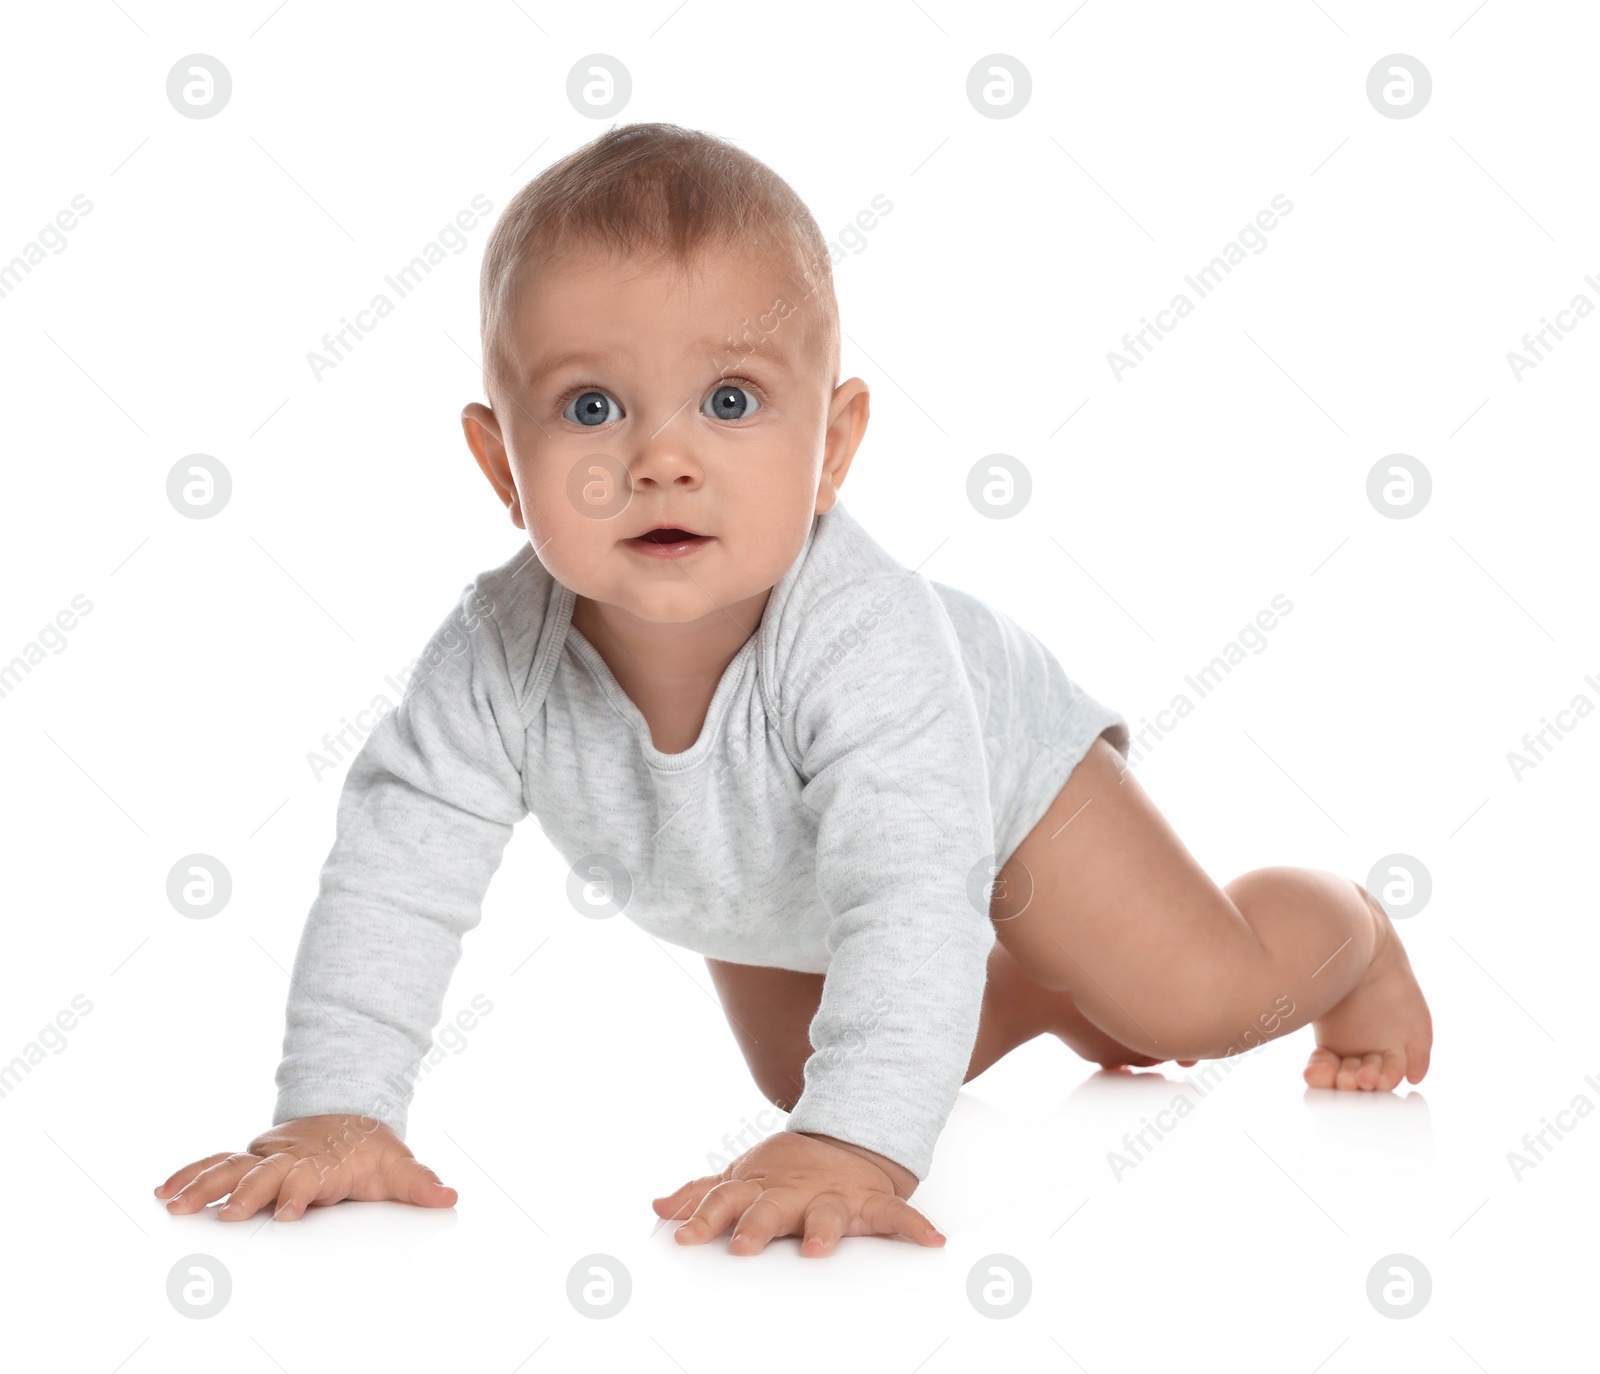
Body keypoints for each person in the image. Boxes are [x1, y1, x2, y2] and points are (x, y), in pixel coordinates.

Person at [155, 122, 1432, 1258]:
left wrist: (860, 1151)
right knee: (799, 1076)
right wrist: (337, 1108)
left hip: (991, 794)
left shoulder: (860, 643)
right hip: (770, 879)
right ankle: (1053, 986)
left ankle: (1349, 931)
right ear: (501, 459)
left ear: (835, 444)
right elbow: (394, 872)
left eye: (730, 400)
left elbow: (908, 883)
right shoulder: (493, 657)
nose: (661, 459)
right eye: (590, 405)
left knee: (1193, 1003)